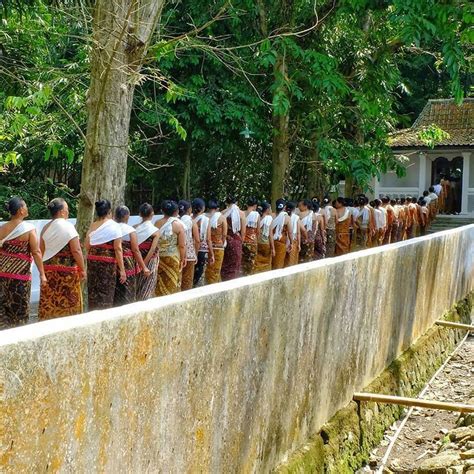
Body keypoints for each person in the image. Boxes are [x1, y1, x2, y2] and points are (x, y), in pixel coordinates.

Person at [0, 197, 46, 328]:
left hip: (2, 276)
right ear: (20, 210)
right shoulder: (29, 229)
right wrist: (42, 274)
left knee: (4, 309)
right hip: (20, 278)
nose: (27, 208)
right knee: (20, 309)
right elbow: (36, 252)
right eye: (25, 206)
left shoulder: (2, 229)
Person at [38, 198, 85, 320]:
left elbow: (40, 251)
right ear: (62, 212)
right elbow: (76, 250)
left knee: (50, 302)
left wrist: (42, 272)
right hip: (67, 275)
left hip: (48, 272)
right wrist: (83, 269)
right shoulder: (68, 226)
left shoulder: (45, 228)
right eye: (67, 210)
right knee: (69, 304)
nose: (68, 213)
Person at [86, 200, 125, 311]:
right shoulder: (115, 226)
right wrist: (122, 270)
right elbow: (117, 248)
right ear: (109, 211)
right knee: (106, 291)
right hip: (107, 264)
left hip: (92, 262)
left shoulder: (93, 225)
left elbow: (87, 245)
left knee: (93, 290)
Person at [114, 205, 150, 306]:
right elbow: (135, 250)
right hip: (127, 263)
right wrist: (144, 267)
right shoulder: (130, 230)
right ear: (127, 216)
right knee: (127, 290)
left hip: (113, 262)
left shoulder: (112, 228)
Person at [155, 200, 186, 296]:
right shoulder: (179, 225)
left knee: (160, 283)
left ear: (162, 211)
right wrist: (183, 258)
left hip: (159, 258)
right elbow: (181, 245)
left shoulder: (156, 223)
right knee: (172, 283)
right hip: (173, 258)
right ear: (176, 212)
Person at [135, 202, 160, 300]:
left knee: (137, 286)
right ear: (152, 214)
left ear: (140, 214)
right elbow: (152, 249)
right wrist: (144, 265)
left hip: (136, 261)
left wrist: (140, 265)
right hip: (149, 262)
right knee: (147, 288)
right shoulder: (155, 231)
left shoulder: (134, 228)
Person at [221, 196, 246, 281]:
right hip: (236, 240)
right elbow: (243, 232)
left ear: (227, 203)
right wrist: (240, 242)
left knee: (225, 262)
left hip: (226, 240)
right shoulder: (241, 214)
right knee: (235, 263)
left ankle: (224, 280)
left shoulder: (223, 213)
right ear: (237, 203)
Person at [204, 200, 227, 284]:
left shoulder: (204, 217)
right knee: (216, 270)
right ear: (217, 208)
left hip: (205, 247)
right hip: (218, 246)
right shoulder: (222, 218)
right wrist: (221, 242)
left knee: (207, 269)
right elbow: (224, 234)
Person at [192, 198, 213, 286]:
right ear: (203, 208)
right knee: (199, 274)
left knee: (191, 274)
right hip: (202, 250)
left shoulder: (190, 219)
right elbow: (208, 239)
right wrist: (212, 254)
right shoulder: (206, 220)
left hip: (191, 250)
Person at [179, 200, 199, 291]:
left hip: (178, 254)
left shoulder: (177, 221)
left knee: (178, 280)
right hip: (190, 255)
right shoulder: (192, 222)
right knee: (187, 281)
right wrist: (196, 253)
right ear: (190, 209)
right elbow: (197, 240)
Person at [254, 202, 274, 273]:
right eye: (270, 208)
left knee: (257, 261)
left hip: (257, 242)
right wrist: (273, 248)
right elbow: (270, 234)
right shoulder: (269, 218)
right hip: (265, 243)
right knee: (266, 263)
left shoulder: (257, 217)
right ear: (268, 209)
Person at [242, 197, 260, 276]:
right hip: (252, 242)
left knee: (242, 261)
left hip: (242, 241)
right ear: (255, 206)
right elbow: (258, 230)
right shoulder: (257, 215)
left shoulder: (242, 213)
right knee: (251, 262)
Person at [271, 199, 291, 269]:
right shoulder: (287, 218)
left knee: (270, 261)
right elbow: (290, 232)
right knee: (279, 262)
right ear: (284, 207)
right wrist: (291, 243)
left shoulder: (271, 216)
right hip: (281, 242)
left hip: (270, 241)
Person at [285, 202, 304, 267]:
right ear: (294, 209)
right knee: (292, 260)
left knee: (284, 259)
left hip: (283, 240)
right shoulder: (296, 218)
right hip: (293, 240)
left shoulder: (283, 216)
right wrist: (299, 244)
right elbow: (298, 233)